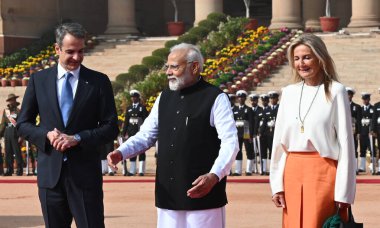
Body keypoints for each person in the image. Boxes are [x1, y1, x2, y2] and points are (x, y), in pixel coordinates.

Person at [108, 43, 239, 228]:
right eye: (167, 66)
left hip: (203, 194)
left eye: (174, 67)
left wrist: (214, 175)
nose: (168, 71)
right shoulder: (164, 97)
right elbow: (146, 135)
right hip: (168, 196)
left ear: (194, 67)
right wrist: (121, 152)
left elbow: (230, 142)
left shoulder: (215, 98)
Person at [16, 22, 119, 228]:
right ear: (57, 49)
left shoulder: (99, 81)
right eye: (70, 52)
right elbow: (23, 124)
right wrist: (46, 135)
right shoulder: (38, 80)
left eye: (81, 51)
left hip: (85, 177)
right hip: (50, 178)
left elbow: (111, 127)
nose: (77, 57)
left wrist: (78, 138)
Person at [270, 33, 356, 228]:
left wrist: (344, 192)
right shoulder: (289, 92)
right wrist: (277, 186)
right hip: (292, 172)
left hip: (324, 173)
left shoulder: (336, 91)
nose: (301, 63)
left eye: (307, 57)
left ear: (320, 57)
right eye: (297, 58)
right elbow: (279, 144)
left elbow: (346, 144)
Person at [121, 89, 149, 176]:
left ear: (138, 98)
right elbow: (126, 122)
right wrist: (124, 133)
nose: (133, 99)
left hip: (139, 132)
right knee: (132, 151)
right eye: (132, 97)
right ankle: (132, 170)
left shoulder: (142, 108)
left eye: (135, 97)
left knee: (141, 151)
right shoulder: (129, 109)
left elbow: (146, 120)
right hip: (131, 132)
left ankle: (141, 170)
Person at [0, 94, 23, 176]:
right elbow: (3, 124)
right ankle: (9, 170)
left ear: (15, 100)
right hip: (7, 132)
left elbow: (21, 124)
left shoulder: (18, 111)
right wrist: (0, 133)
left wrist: (21, 135)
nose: (11, 101)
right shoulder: (6, 111)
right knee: (8, 152)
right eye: (10, 100)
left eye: (12, 99)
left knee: (17, 152)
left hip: (15, 132)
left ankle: (20, 170)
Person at [232, 90, 254, 176]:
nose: (241, 99)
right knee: (238, 151)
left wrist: (251, 135)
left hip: (246, 131)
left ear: (245, 98)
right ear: (237, 98)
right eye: (239, 97)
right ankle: (238, 171)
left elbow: (251, 123)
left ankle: (249, 170)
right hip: (237, 132)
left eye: (242, 97)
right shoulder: (235, 109)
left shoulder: (248, 109)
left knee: (249, 150)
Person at [346, 87, 362, 174]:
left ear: (352, 96)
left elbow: (359, 121)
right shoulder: (341, 105)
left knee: (354, 148)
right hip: (344, 130)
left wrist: (358, 132)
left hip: (353, 131)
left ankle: (355, 168)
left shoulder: (357, 107)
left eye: (349, 94)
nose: (348, 96)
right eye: (346, 94)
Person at [358, 92, 373, 173]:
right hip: (363, 132)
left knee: (371, 150)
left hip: (369, 132)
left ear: (369, 99)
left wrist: (372, 131)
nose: (365, 101)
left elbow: (373, 121)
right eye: (363, 99)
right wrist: (359, 132)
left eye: (366, 99)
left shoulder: (372, 108)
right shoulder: (360, 109)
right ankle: (362, 167)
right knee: (362, 150)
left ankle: (372, 167)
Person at [257, 93, 271, 175]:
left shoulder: (269, 110)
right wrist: (256, 133)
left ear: (268, 101)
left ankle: (270, 169)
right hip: (261, 135)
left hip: (269, 133)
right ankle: (264, 169)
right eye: (263, 101)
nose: (264, 102)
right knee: (263, 152)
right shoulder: (260, 110)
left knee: (270, 151)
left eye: (266, 100)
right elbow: (256, 123)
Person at [249, 93, 263, 174]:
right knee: (252, 152)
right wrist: (249, 135)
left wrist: (258, 132)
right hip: (250, 135)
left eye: (254, 100)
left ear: (257, 101)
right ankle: (253, 169)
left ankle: (261, 169)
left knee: (260, 152)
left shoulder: (261, 110)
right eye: (252, 100)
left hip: (258, 134)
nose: (253, 102)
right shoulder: (249, 110)